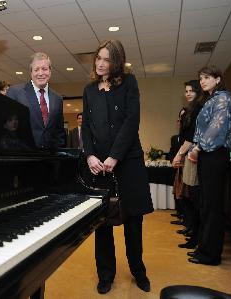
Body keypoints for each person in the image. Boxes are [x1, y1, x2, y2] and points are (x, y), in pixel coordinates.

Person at [82, 40, 153, 294]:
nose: (101, 63)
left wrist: (115, 156)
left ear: (117, 62)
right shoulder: (89, 90)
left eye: (106, 59)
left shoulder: (129, 83)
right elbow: (86, 127)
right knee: (102, 222)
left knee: (133, 220)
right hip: (99, 166)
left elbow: (132, 122)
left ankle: (138, 270)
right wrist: (90, 156)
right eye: (98, 58)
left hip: (128, 161)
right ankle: (105, 274)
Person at [187, 65, 231, 266]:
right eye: (200, 78)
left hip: (215, 154)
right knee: (206, 204)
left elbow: (217, 128)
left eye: (206, 77)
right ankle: (204, 249)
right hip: (207, 155)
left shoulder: (224, 98)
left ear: (217, 79)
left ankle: (211, 254)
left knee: (213, 206)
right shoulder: (211, 99)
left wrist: (197, 148)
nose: (202, 81)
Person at [7, 52, 65, 149]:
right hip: (23, 156)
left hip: (49, 159)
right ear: (31, 72)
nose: (41, 73)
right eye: (36, 69)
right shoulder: (15, 92)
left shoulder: (57, 98)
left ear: (50, 71)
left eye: (44, 69)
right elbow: (8, 129)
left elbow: (59, 132)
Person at [172, 80, 204, 249]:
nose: (188, 93)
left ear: (198, 92)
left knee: (193, 197)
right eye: (186, 91)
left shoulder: (198, 109)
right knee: (188, 196)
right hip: (188, 155)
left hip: (192, 156)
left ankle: (195, 237)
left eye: (191, 90)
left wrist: (178, 155)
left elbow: (190, 138)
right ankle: (193, 234)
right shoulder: (190, 110)